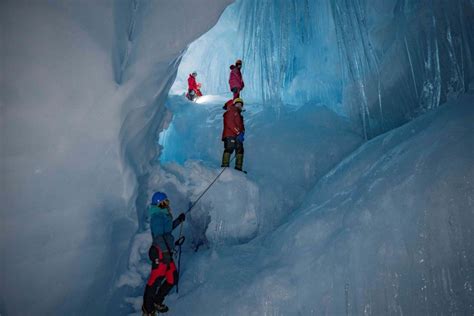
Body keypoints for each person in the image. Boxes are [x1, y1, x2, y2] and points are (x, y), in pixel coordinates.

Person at [142, 192, 186, 316]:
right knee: (155, 280)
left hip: (166, 252)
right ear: (159, 203)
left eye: (167, 202)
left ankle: (157, 301)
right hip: (160, 253)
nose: (167, 204)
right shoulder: (157, 217)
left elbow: (167, 230)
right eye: (164, 202)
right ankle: (147, 309)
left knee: (172, 278)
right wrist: (165, 252)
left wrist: (178, 220)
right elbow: (158, 236)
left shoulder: (163, 215)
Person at [221, 98, 245, 172]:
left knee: (240, 150)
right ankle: (224, 166)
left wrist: (242, 133)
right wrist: (238, 133)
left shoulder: (238, 114)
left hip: (237, 135)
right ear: (234, 104)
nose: (239, 106)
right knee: (229, 148)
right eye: (238, 104)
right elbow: (230, 123)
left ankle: (238, 168)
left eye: (241, 105)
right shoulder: (231, 111)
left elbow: (241, 126)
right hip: (230, 134)